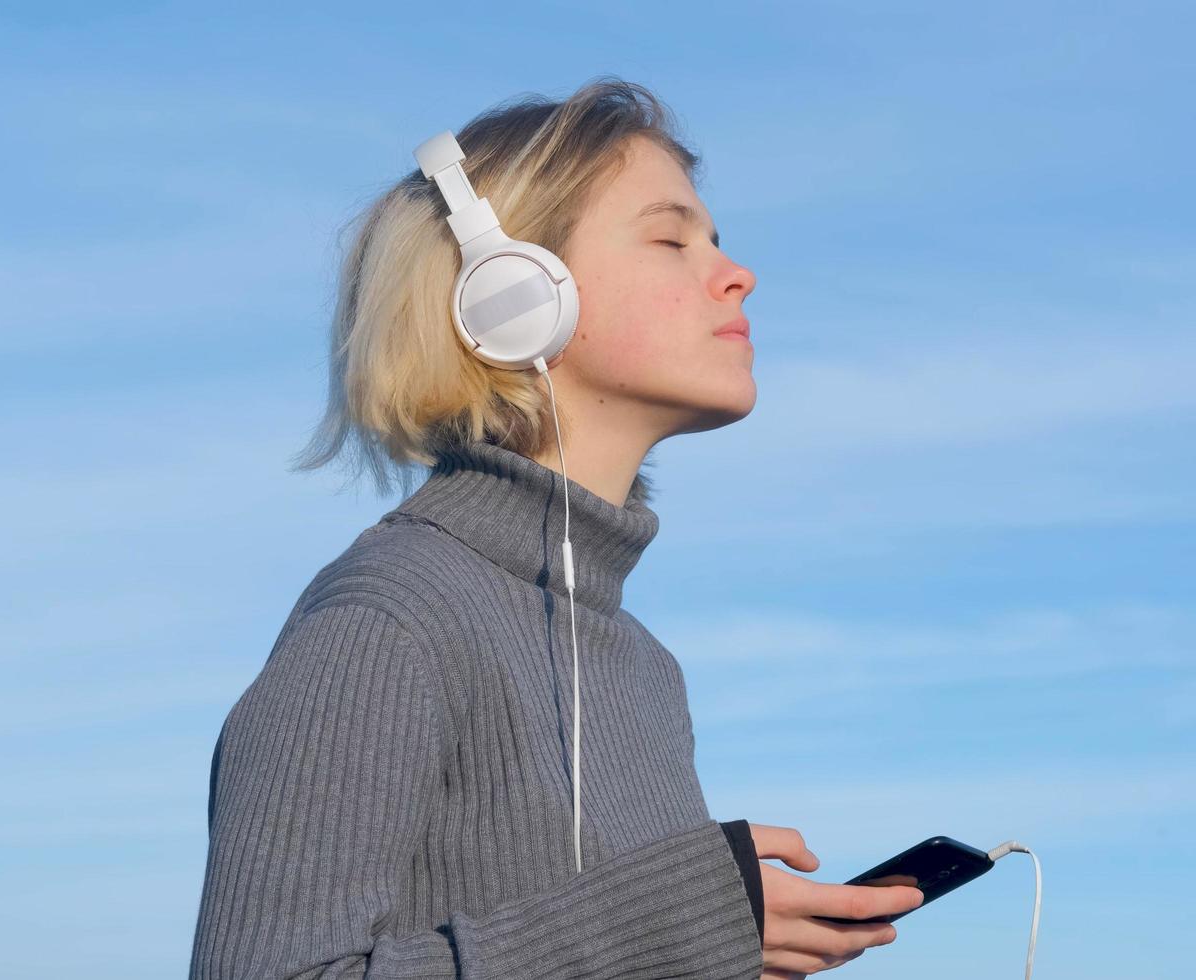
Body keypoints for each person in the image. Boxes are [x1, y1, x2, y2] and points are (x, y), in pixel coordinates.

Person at [187, 76, 923, 980]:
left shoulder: (644, 668)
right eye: (669, 238)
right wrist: (658, 931)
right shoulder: (389, 617)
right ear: (512, 294)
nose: (737, 273)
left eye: (717, 241)